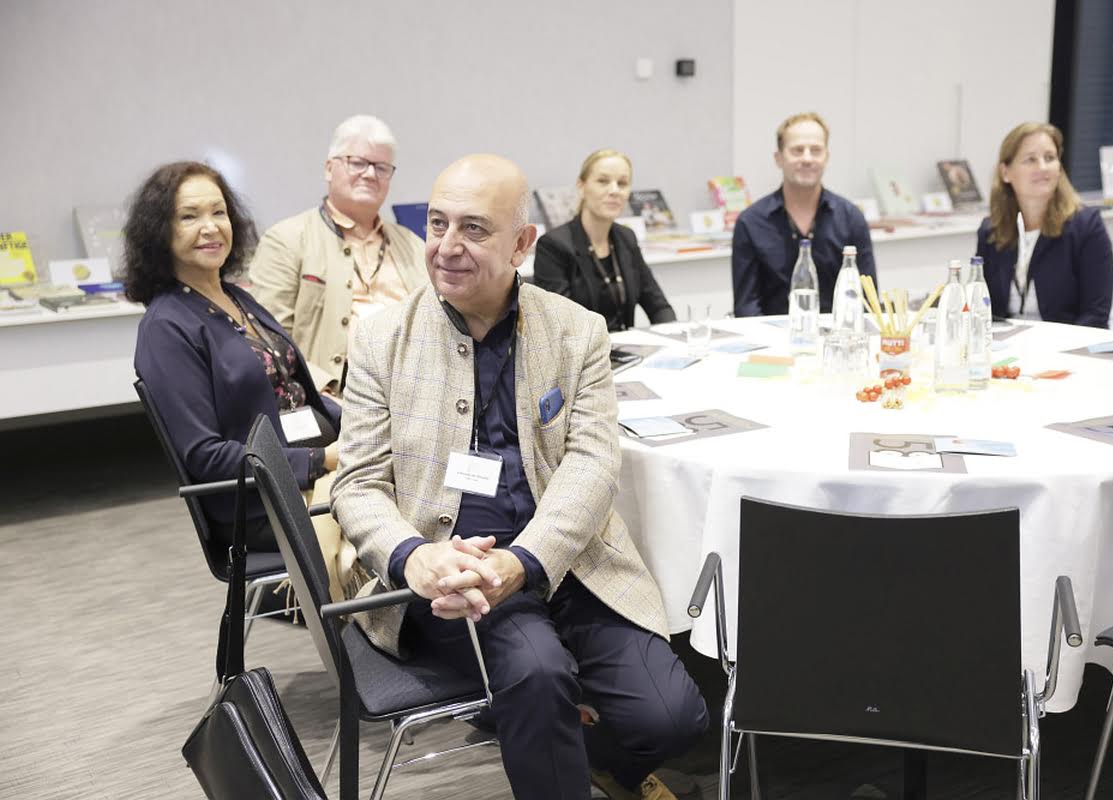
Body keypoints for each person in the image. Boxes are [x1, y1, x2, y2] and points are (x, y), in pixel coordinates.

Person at [331, 154, 708, 800]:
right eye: (438, 224)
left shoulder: (576, 332)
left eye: (474, 229)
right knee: (537, 675)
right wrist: (413, 557)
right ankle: (544, 734)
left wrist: (526, 561)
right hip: (452, 579)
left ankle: (586, 752)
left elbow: (593, 464)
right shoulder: (381, 339)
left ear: (522, 243)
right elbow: (358, 482)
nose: (447, 246)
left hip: (567, 562)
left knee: (674, 719)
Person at [127, 161, 341, 556]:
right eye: (189, 216)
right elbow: (205, 456)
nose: (210, 227)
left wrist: (361, 427)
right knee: (400, 519)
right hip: (261, 504)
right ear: (159, 231)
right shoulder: (165, 328)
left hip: (316, 470)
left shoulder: (237, 297)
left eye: (218, 212)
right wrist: (321, 460)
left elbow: (289, 392)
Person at [249, 114, 426, 396]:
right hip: (332, 394)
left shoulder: (414, 245)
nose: (370, 174)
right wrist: (324, 390)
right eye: (357, 163)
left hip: (417, 391)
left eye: (381, 167)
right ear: (329, 168)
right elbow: (268, 339)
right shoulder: (287, 240)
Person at [732, 112, 876, 316]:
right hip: (769, 334)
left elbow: (868, 300)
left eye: (816, 150)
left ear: (826, 157)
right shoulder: (750, 223)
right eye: (797, 150)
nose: (807, 159)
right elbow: (746, 307)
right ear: (779, 158)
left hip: (839, 333)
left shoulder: (851, 218)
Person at [975, 121, 1113, 327]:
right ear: (1005, 172)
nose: (1042, 167)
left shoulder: (1086, 226)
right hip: (1003, 343)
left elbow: (1096, 315)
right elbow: (982, 307)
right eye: (1030, 160)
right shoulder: (991, 231)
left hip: (1068, 342)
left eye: (1049, 158)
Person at [534, 149, 676, 331]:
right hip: (582, 348)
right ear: (581, 187)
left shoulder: (626, 238)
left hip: (627, 346)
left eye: (622, 183)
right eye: (603, 181)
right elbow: (561, 325)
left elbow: (658, 306)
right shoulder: (553, 245)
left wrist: (674, 337)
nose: (614, 191)